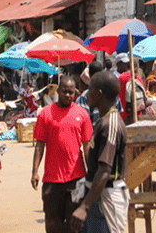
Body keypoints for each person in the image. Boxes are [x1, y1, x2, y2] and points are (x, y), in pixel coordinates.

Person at [32, 76, 93, 233]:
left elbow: (87, 146)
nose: (67, 95)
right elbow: (39, 145)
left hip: (76, 179)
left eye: (71, 93)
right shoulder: (45, 114)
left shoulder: (83, 114)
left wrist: (91, 173)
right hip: (52, 180)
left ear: (75, 94)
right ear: (58, 91)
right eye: (64, 91)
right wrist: (35, 171)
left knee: (75, 223)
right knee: (53, 223)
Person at [70, 71, 128, 233]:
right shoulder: (102, 122)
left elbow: (104, 170)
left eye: (90, 90)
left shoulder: (111, 125)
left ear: (99, 94)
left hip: (106, 197)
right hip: (97, 196)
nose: (87, 94)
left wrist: (84, 207)